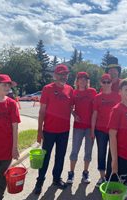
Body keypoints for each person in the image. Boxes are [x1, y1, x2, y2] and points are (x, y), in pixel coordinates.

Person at [33, 64, 73, 194]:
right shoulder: (47, 89)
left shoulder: (70, 89)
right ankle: (40, 181)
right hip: (49, 130)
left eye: (65, 74)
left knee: (60, 157)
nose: (63, 76)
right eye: (61, 74)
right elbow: (42, 111)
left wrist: (75, 114)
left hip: (64, 131)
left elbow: (70, 107)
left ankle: (56, 179)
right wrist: (39, 131)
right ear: (55, 75)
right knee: (45, 157)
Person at [106, 78, 127, 186]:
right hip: (119, 156)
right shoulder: (117, 110)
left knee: (125, 185)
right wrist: (114, 160)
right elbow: (112, 136)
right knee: (115, 188)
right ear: (120, 91)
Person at [66, 72, 97, 184]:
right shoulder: (74, 93)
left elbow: (96, 109)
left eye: (85, 79)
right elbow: (69, 107)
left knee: (88, 152)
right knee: (75, 150)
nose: (83, 81)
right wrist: (74, 115)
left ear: (87, 81)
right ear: (77, 81)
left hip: (90, 127)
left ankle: (85, 172)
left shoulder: (92, 92)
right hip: (78, 127)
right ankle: (71, 173)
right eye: (81, 79)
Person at [91, 73, 121, 187]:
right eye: (104, 82)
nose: (106, 84)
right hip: (100, 130)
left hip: (114, 130)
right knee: (101, 153)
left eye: (108, 82)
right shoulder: (97, 97)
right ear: (101, 83)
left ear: (111, 83)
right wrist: (92, 131)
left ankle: (111, 175)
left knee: (113, 153)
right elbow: (94, 115)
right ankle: (102, 177)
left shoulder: (117, 96)